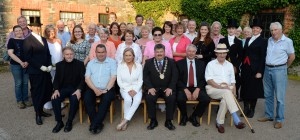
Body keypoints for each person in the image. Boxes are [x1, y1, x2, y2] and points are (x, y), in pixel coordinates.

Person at [258, 22, 295, 129]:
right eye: (272, 30)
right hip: (267, 69)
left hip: (279, 70)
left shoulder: (287, 41)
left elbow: (292, 57)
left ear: (281, 30)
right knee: (268, 94)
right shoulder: (269, 40)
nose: (273, 32)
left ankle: (279, 119)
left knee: (279, 97)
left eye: (275, 30)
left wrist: (284, 68)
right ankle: (268, 115)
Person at [205, 44, 246, 133]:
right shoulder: (210, 64)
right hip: (213, 89)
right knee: (227, 93)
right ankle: (236, 119)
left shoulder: (230, 65)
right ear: (216, 53)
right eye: (220, 53)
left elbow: (233, 81)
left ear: (226, 54)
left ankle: (219, 123)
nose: (222, 55)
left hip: (227, 90)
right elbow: (209, 80)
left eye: (224, 53)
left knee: (225, 101)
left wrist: (234, 93)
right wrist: (220, 87)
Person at [23, 17, 53, 125]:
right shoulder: (27, 40)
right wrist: (40, 66)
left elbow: (48, 54)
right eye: (35, 26)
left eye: (38, 26)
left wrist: (49, 64)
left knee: (47, 90)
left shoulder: (43, 39)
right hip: (36, 72)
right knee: (37, 92)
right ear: (30, 27)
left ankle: (41, 110)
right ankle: (37, 114)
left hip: (46, 71)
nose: (37, 28)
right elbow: (28, 57)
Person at [143, 44, 178, 130]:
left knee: (171, 97)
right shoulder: (148, 62)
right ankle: (153, 120)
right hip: (153, 88)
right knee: (149, 97)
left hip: (167, 88)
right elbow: (145, 76)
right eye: (157, 52)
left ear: (164, 52)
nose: (159, 53)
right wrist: (150, 87)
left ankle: (169, 121)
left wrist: (170, 87)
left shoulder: (171, 62)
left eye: (161, 51)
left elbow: (175, 76)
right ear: (154, 53)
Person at [51, 47, 85, 133]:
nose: (69, 56)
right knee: (54, 98)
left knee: (74, 99)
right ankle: (59, 122)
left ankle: (69, 122)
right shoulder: (59, 65)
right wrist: (56, 90)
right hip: (63, 89)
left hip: (75, 89)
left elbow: (83, 79)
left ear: (74, 54)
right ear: (63, 55)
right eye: (67, 54)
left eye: (71, 54)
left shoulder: (80, 64)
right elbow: (56, 79)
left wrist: (79, 90)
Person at [84, 44, 117, 134]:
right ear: (95, 53)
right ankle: (98, 123)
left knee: (106, 99)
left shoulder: (112, 62)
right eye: (98, 52)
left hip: (108, 88)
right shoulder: (90, 63)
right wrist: (95, 89)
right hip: (92, 88)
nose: (101, 54)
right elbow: (87, 78)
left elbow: (113, 77)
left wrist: (106, 90)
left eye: (103, 52)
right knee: (87, 99)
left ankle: (94, 123)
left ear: (106, 52)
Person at [176, 44, 210, 127]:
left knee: (206, 99)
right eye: (189, 51)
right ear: (186, 52)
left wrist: (198, 89)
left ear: (196, 53)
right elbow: (177, 79)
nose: (191, 53)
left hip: (197, 87)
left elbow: (203, 79)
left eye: (193, 51)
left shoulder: (201, 64)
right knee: (180, 98)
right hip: (184, 87)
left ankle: (194, 116)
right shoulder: (179, 63)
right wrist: (185, 89)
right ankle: (184, 116)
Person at [240, 19, 267, 118]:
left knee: (253, 89)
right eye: (254, 28)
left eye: (257, 28)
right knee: (245, 88)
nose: (255, 29)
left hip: (255, 69)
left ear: (261, 30)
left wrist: (260, 71)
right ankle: (245, 108)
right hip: (245, 67)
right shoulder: (247, 39)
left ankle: (252, 109)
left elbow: (263, 57)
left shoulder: (263, 41)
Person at [116, 48, 143, 131]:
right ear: (123, 56)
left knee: (137, 100)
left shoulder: (138, 65)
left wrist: (135, 90)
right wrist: (128, 90)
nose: (128, 57)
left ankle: (125, 120)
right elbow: (119, 81)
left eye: (129, 55)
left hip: (136, 88)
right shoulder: (120, 65)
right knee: (128, 100)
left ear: (133, 56)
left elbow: (140, 80)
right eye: (126, 55)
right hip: (124, 88)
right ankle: (126, 120)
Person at [7, 25, 31, 109]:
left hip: (26, 64)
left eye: (20, 30)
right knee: (18, 83)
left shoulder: (27, 40)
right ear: (14, 32)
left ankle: (26, 99)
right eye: (16, 31)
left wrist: (27, 62)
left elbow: (30, 53)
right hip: (16, 65)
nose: (18, 32)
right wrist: (21, 62)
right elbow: (10, 53)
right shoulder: (12, 40)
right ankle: (19, 101)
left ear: (22, 31)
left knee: (25, 83)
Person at [219, 19, 243, 97]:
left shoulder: (239, 42)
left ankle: (234, 95)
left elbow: (240, 56)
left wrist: (235, 66)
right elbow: (219, 53)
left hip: (233, 65)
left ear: (236, 30)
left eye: (233, 28)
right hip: (222, 64)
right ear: (227, 29)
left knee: (236, 81)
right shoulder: (222, 40)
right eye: (229, 28)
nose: (231, 30)